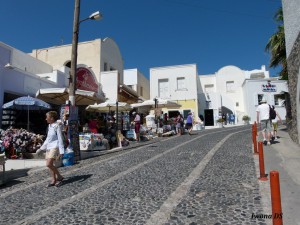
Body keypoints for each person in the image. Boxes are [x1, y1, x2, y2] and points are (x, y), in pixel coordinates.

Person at [37, 111, 64, 187]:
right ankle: (53, 179)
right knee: (50, 165)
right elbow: (48, 139)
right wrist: (41, 148)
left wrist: (61, 151)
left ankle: (59, 176)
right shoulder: (49, 126)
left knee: (48, 164)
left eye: (47, 117)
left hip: (55, 146)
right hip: (49, 147)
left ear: (51, 118)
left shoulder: (57, 126)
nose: (46, 119)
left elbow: (60, 138)